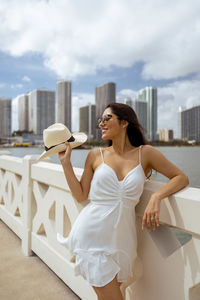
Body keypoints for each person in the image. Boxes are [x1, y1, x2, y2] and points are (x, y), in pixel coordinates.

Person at [57, 102, 189, 300]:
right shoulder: (95, 155)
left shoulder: (146, 153)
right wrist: (66, 164)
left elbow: (181, 177)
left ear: (125, 122)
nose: (101, 123)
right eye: (99, 120)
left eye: (106, 118)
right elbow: (81, 195)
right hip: (92, 236)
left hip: (123, 240)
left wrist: (156, 196)